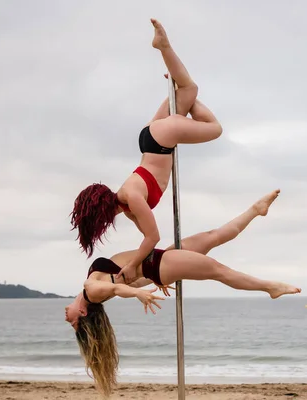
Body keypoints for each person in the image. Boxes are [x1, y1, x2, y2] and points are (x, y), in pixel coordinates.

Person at [65, 190, 301, 398]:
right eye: (74, 322)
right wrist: (142, 294)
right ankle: (270, 288)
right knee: (219, 271)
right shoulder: (91, 291)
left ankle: (255, 210)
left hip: (158, 263)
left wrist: (155, 281)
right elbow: (120, 287)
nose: (67, 317)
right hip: (160, 263)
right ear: (83, 313)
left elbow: (127, 278)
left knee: (212, 237)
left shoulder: (94, 289)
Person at [70, 18, 223, 280]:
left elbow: (153, 237)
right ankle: (172, 70)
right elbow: (149, 241)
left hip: (160, 143)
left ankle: (164, 47)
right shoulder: (128, 206)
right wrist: (152, 274)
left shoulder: (131, 198)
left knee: (211, 124)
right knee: (186, 89)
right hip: (151, 140)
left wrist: (131, 266)